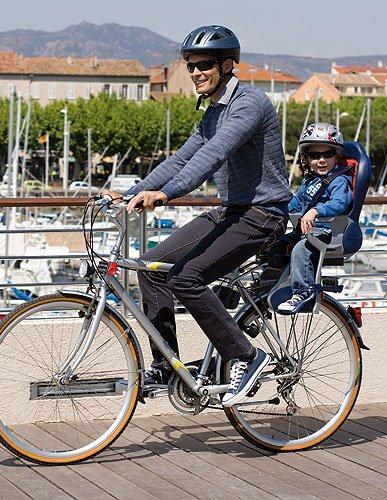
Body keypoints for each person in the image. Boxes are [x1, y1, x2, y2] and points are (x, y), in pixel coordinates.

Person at [104, 25, 291, 407]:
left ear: (227, 65)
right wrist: (132, 192)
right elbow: (182, 158)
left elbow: (213, 156)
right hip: (230, 211)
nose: (195, 73)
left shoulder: (249, 104)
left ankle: (247, 356)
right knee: (150, 267)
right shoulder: (211, 114)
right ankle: (167, 367)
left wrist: (167, 194)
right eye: (190, 65)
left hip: (262, 214)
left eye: (204, 64)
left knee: (186, 278)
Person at [277, 123, 353, 313]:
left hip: (328, 230)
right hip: (307, 230)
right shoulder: (309, 181)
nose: (321, 160)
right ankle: (271, 283)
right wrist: (277, 211)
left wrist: (316, 211)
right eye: (314, 155)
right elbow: (296, 202)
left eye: (327, 154)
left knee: (300, 250)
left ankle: (304, 292)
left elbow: (340, 203)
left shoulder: (339, 181)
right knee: (274, 243)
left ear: (337, 157)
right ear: (306, 158)